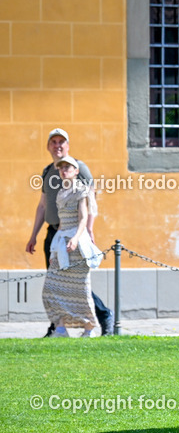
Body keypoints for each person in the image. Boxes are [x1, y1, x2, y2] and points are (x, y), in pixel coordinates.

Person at [25, 128, 112, 336]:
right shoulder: (47, 171)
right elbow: (42, 206)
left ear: (68, 145)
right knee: (56, 283)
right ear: (48, 146)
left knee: (76, 282)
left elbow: (91, 199)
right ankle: (59, 327)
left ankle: (103, 316)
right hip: (54, 234)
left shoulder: (78, 167)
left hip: (74, 234)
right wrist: (33, 235)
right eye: (53, 142)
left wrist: (88, 230)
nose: (57, 145)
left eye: (61, 142)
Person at [41, 156, 104, 337]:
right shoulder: (61, 192)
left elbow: (83, 218)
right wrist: (55, 247)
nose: (64, 170)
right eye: (61, 168)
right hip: (62, 242)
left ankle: (89, 328)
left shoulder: (81, 190)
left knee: (81, 289)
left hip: (77, 243)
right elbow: (61, 224)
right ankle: (60, 328)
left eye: (68, 167)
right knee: (52, 287)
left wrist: (75, 238)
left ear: (76, 171)